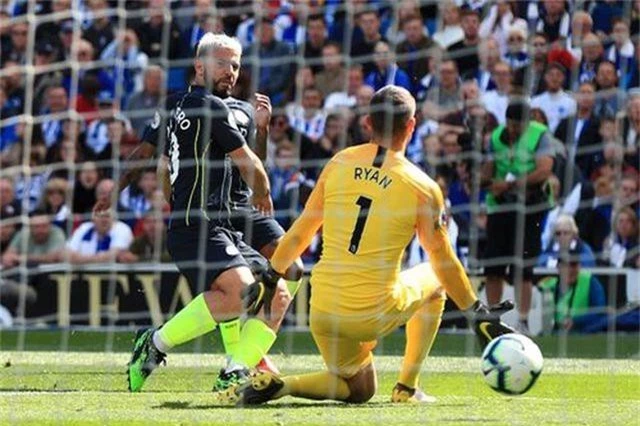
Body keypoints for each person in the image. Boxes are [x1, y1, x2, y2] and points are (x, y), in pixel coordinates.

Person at [224, 85, 515, 406]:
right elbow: (443, 259)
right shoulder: (423, 187)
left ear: (367, 124)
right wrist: (476, 313)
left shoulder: (339, 163)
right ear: (412, 126)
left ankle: (283, 385)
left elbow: (301, 231)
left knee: (361, 389)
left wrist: (270, 275)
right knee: (435, 279)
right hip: (373, 312)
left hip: (323, 311)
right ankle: (407, 388)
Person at [109, 33, 293, 394]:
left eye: (236, 65)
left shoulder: (237, 109)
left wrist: (263, 129)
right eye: (222, 63)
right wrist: (126, 192)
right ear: (199, 65)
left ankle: (237, 361)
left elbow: (253, 160)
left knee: (281, 286)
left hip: (234, 215)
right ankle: (229, 358)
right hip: (198, 219)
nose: (231, 71)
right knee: (243, 290)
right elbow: (159, 161)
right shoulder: (188, 105)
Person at [481, 100, 555, 334]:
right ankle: (493, 317)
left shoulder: (540, 134)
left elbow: (544, 170)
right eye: (510, 125)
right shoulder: (496, 137)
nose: (513, 130)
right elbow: (489, 169)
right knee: (493, 267)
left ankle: (522, 321)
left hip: (530, 206)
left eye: (518, 125)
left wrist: (510, 184)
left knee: (524, 267)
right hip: (500, 207)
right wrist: (483, 180)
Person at [539, 244, 606, 333]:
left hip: (583, 333)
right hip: (554, 332)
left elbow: (600, 312)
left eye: (573, 265)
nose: (569, 269)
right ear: (558, 267)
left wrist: (576, 321)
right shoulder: (549, 284)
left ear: (579, 266)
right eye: (565, 265)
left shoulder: (590, 282)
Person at [64, 208, 133, 264]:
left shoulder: (121, 228)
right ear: (93, 219)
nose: (104, 220)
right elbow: (67, 254)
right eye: (100, 216)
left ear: (113, 219)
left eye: (107, 216)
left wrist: (80, 260)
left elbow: (114, 255)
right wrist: (97, 259)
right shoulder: (84, 228)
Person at [1, 209, 66, 268]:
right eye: (36, 226)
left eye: (44, 226)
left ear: (50, 226)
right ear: (30, 227)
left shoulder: (57, 233)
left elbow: (54, 257)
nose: (41, 230)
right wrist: (8, 259)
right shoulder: (23, 233)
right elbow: (8, 255)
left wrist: (21, 258)